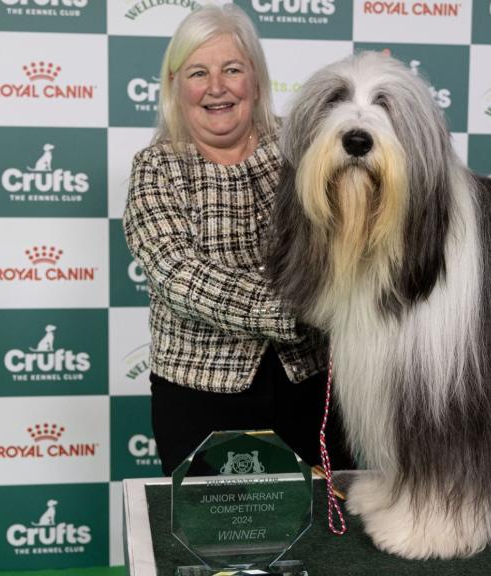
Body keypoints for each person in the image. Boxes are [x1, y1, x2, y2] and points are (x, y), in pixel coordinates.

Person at [123, 4, 351, 476]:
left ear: (256, 79)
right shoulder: (155, 166)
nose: (216, 87)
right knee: (216, 539)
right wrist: (303, 306)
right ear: (174, 87)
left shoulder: (304, 147)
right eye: (198, 73)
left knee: (328, 537)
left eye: (232, 69)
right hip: (199, 395)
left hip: (311, 385)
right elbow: (177, 275)